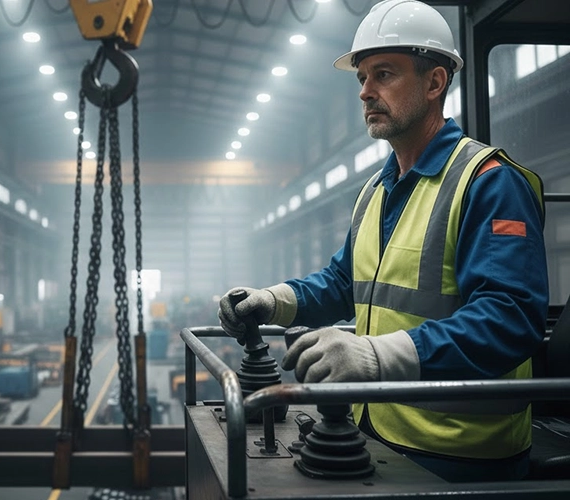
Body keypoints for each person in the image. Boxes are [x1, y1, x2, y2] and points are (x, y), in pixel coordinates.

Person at [217, 0, 547, 483]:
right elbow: (341, 283)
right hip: (373, 435)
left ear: (435, 83)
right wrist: (272, 300)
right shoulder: (377, 189)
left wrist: (375, 357)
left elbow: (510, 318)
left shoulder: (488, 183)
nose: (365, 92)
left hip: (460, 454)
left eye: (384, 75)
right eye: (361, 78)